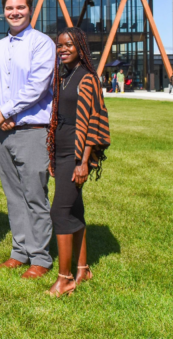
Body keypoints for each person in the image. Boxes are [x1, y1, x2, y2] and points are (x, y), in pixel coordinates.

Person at [0, 0, 55, 279]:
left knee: (35, 196)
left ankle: (40, 257)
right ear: (4, 11)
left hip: (33, 131)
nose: (14, 12)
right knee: (13, 196)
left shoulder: (42, 44)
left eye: (20, 7)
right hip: (3, 133)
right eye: (9, 8)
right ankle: (19, 252)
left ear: (30, 9)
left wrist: (7, 110)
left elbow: (38, 86)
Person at [47, 27, 111, 297]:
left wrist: (83, 162)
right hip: (60, 152)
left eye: (68, 45)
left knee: (59, 213)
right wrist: (52, 154)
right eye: (59, 45)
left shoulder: (87, 79)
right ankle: (83, 268)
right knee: (74, 210)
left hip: (76, 155)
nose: (63, 49)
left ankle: (65, 279)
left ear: (80, 47)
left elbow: (94, 120)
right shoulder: (62, 77)